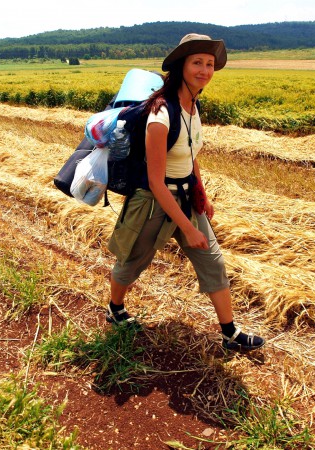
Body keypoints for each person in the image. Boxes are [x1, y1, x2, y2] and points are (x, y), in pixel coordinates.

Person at [106, 33, 264, 352]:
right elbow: (155, 181)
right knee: (132, 263)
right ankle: (115, 308)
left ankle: (229, 333)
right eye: (197, 62)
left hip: (186, 196)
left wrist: (201, 195)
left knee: (213, 263)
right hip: (154, 202)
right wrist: (188, 228)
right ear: (182, 65)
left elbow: (191, 156)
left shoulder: (193, 103)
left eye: (209, 64)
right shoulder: (160, 114)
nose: (205, 70)